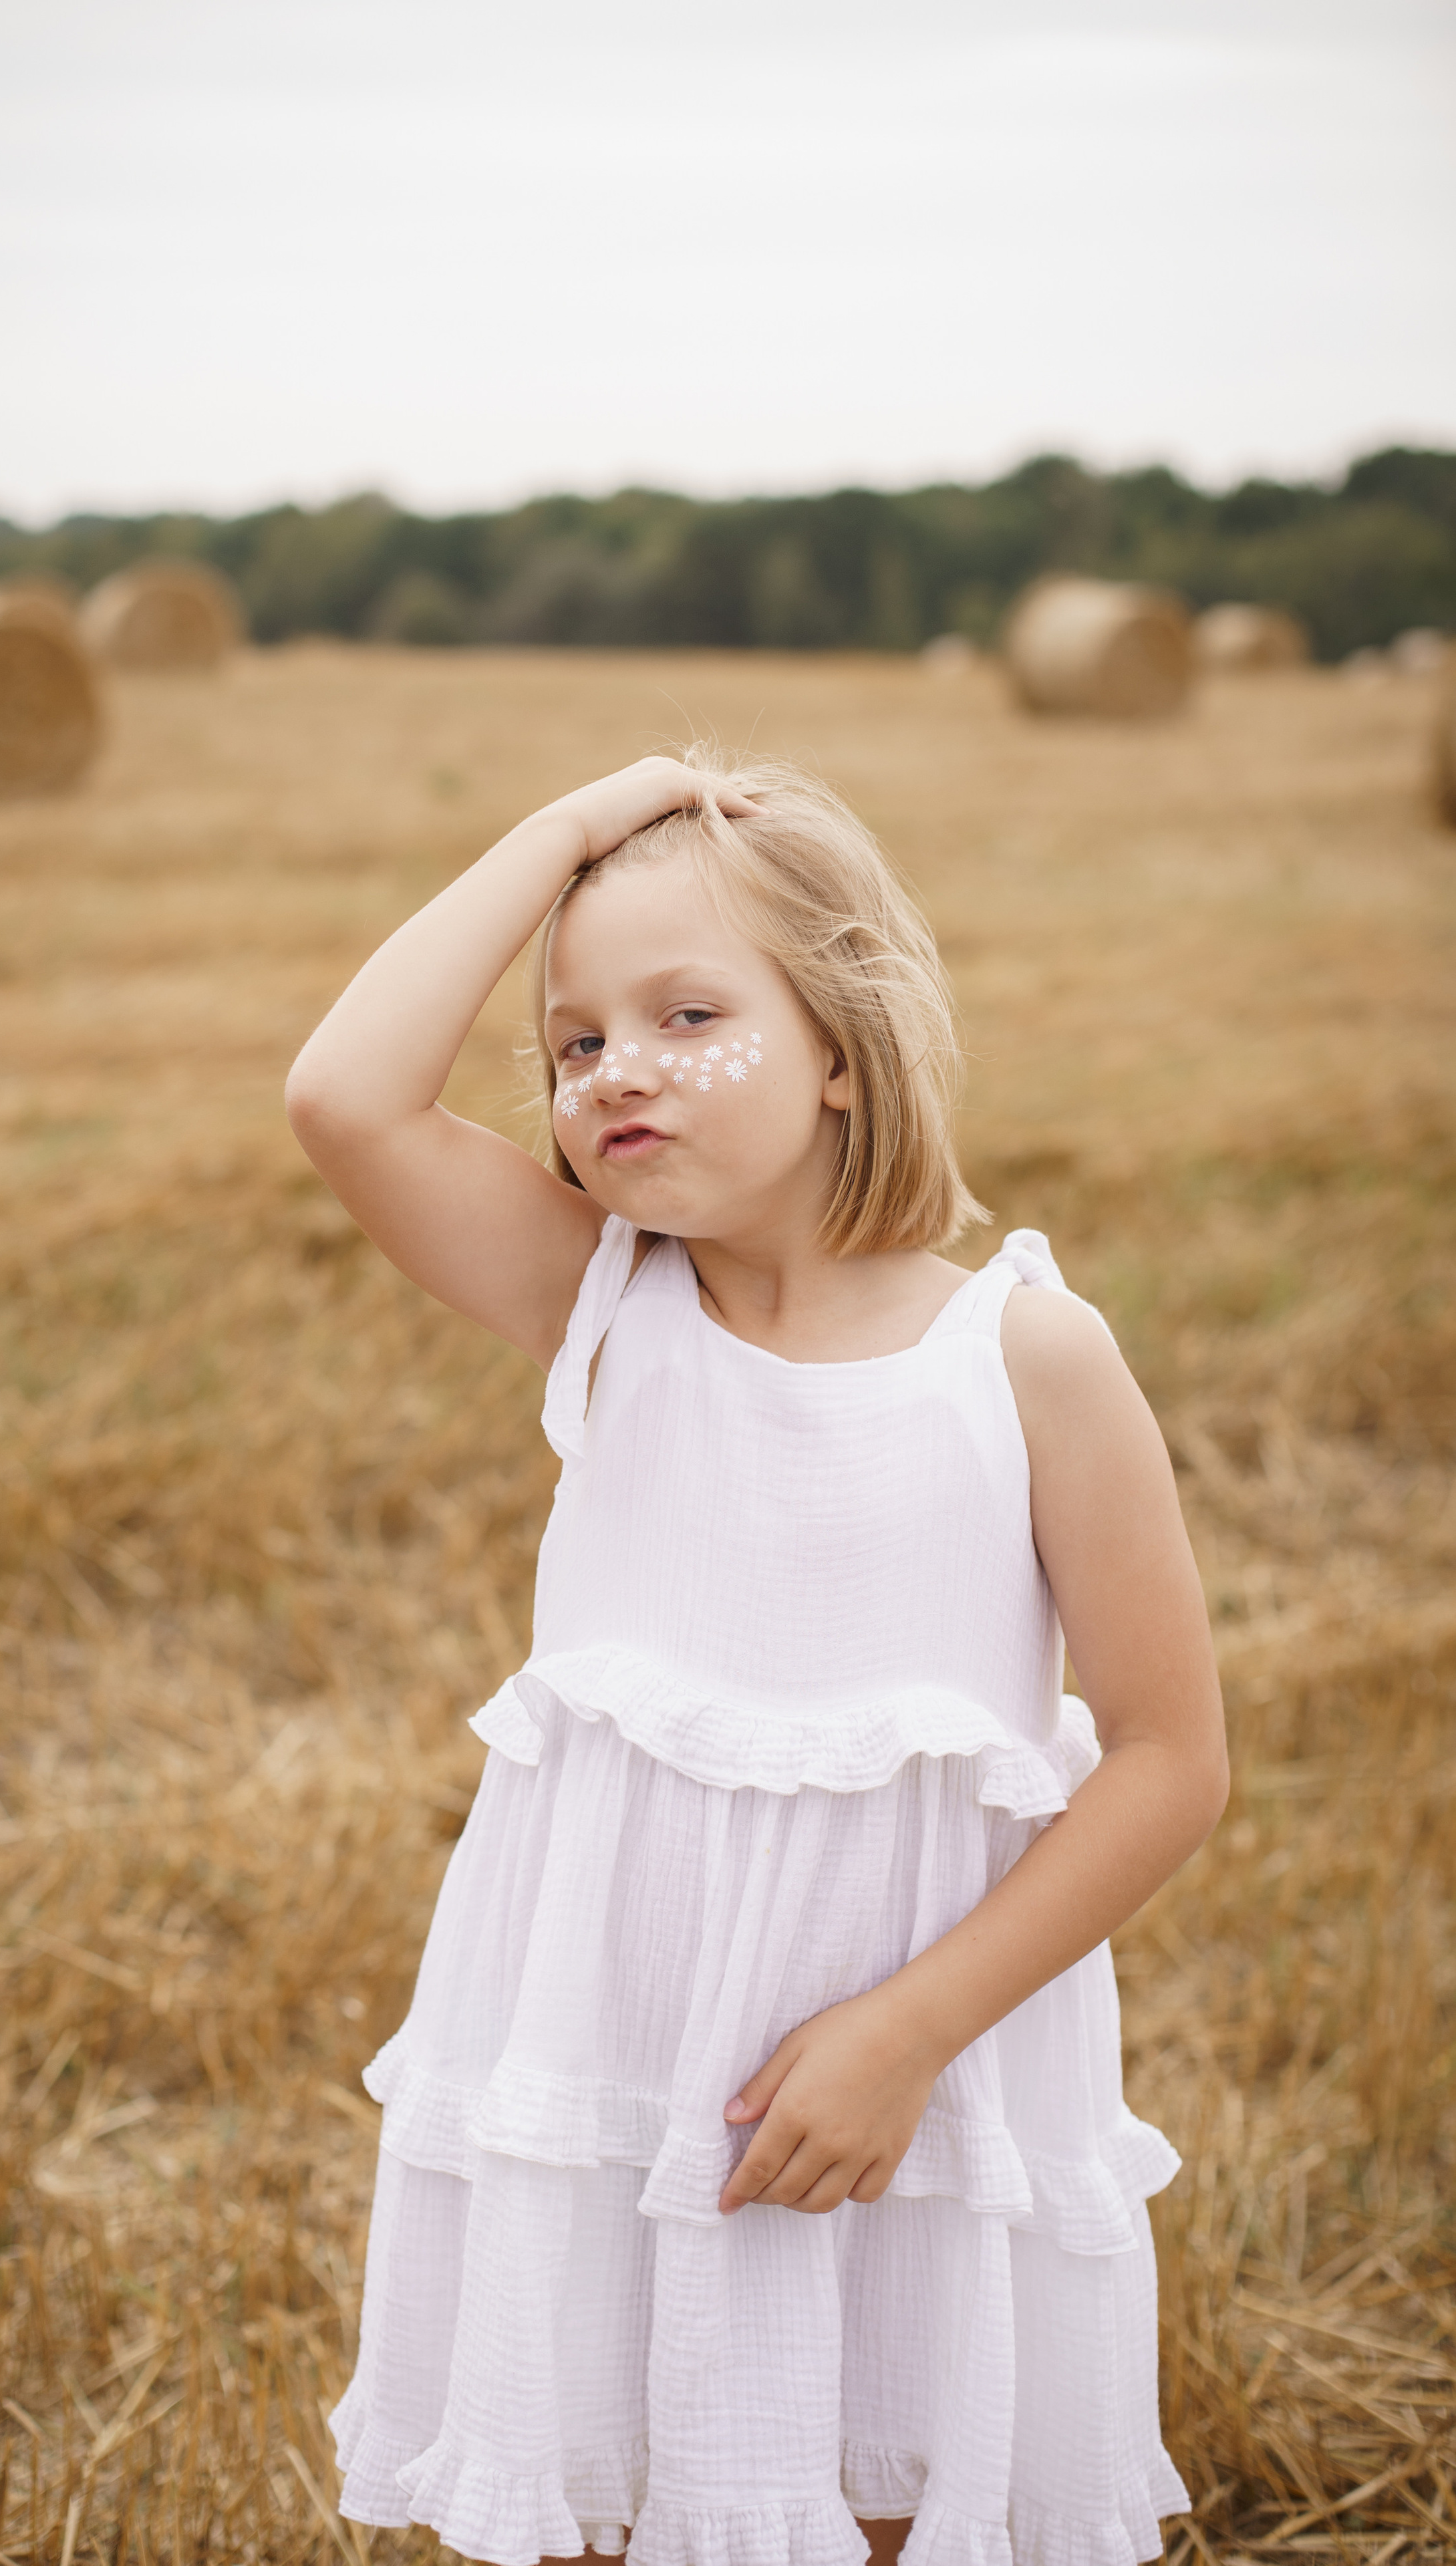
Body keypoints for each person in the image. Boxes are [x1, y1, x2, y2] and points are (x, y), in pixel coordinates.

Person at [284, 752, 1228, 2566]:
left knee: (866, 2491)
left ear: (842, 1049)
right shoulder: (610, 1303)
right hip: (612, 2039)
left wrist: (912, 2034)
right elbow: (342, 1096)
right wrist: (576, 831)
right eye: (573, 1043)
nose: (615, 1064)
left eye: (688, 1012)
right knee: (598, 2495)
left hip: (902, 2062)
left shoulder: (1025, 1357)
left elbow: (1172, 1758)